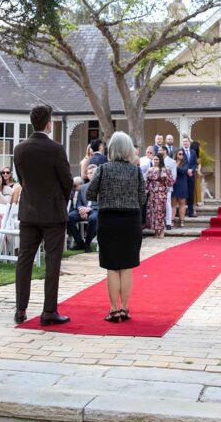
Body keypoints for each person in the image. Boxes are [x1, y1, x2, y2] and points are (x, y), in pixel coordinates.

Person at [13, 104, 74, 326]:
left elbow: (21, 179)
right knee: (52, 261)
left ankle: (20, 309)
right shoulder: (56, 149)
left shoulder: (20, 149)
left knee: (24, 260)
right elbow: (67, 181)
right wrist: (62, 201)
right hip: (53, 213)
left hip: (29, 211)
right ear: (48, 124)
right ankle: (49, 311)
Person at [86, 131, 147, 323]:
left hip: (108, 219)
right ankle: (125, 309)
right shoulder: (136, 171)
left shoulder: (103, 169)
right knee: (127, 266)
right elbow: (142, 198)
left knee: (112, 267)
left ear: (111, 149)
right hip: (130, 220)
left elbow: (89, 194)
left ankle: (113, 310)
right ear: (129, 150)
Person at [67, 164, 98, 251]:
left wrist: (89, 209)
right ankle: (80, 242)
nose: (90, 175)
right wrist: (81, 209)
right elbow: (78, 203)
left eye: (92, 173)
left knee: (93, 219)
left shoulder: (102, 187)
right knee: (69, 217)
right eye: (89, 173)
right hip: (83, 209)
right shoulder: (83, 187)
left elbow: (103, 203)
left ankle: (87, 244)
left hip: (95, 209)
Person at [144, 154, 174, 237]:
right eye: (154, 159)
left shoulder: (165, 169)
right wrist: (146, 190)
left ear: (160, 160)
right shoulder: (150, 169)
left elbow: (171, 182)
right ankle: (155, 230)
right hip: (152, 193)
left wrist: (166, 178)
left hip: (161, 193)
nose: (156, 161)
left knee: (160, 211)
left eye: (157, 159)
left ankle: (162, 229)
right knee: (153, 212)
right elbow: (147, 181)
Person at [171, 148, 190, 227]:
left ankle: (182, 220)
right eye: (180, 154)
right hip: (173, 185)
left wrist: (175, 167)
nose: (181, 155)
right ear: (176, 154)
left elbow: (183, 171)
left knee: (182, 204)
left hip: (182, 185)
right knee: (173, 204)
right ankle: (172, 220)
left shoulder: (185, 163)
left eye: (182, 154)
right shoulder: (172, 162)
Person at [181, 136, 198, 217]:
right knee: (183, 194)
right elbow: (179, 163)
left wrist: (192, 170)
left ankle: (190, 212)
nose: (185, 143)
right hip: (183, 176)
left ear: (189, 142)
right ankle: (182, 212)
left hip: (191, 176)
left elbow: (195, 163)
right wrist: (187, 170)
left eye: (186, 141)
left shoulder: (193, 152)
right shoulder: (180, 152)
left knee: (191, 194)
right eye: (183, 141)